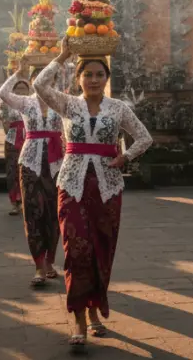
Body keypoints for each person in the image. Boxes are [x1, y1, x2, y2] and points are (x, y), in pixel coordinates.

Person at [34, 43, 153, 348]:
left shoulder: (118, 108)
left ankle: (94, 308)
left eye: (100, 74)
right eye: (88, 74)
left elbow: (144, 137)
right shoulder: (68, 105)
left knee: (102, 247)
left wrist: (124, 158)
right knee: (76, 249)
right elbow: (39, 84)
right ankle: (77, 317)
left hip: (107, 186)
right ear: (79, 78)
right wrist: (61, 56)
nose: (94, 79)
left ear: (107, 78)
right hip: (72, 184)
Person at [0, 58, 66, 287]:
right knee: (33, 211)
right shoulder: (26, 103)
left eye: (49, 78)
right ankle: (38, 265)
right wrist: (17, 73)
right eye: (39, 78)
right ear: (32, 81)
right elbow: (2, 92)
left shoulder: (62, 102)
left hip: (57, 163)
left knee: (55, 213)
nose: (44, 81)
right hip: (30, 162)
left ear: (55, 81)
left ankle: (50, 261)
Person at [0, 95, 25, 216]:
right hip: (12, 139)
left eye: (23, 87)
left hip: (29, 139)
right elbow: (5, 125)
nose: (21, 91)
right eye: (18, 88)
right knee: (12, 171)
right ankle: (14, 203)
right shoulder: (7, 103)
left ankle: (25, 201)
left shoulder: (32, 102)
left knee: (26, 172)